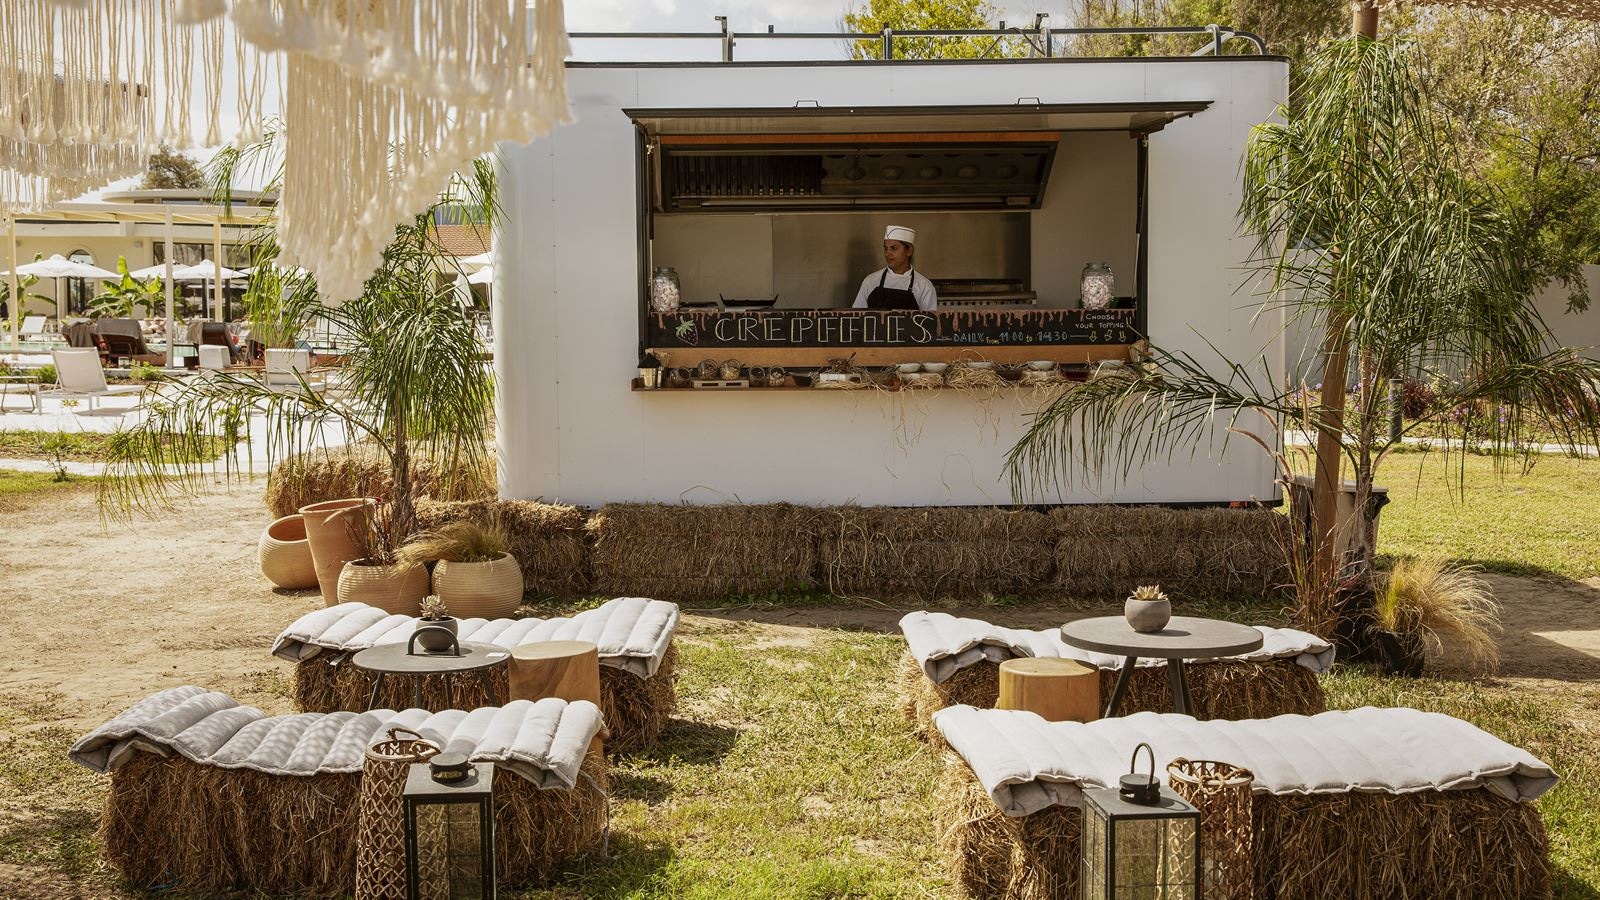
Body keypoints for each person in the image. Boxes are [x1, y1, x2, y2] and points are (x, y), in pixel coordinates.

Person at [852, 225, 937, 311]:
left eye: (894, 248)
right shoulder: (870, 281)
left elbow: (930, 321)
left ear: (909, 250)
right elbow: (857, 317)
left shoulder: (924, 286)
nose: (887, 253)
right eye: (885, 248)